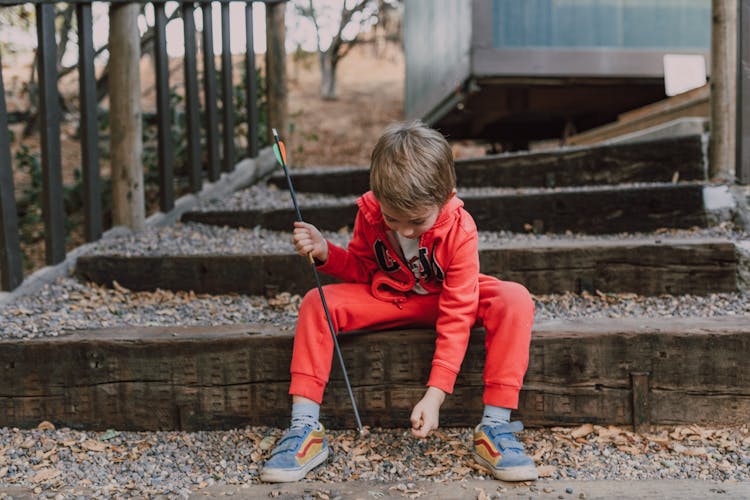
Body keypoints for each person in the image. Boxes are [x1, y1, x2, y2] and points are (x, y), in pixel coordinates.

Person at [260, 121, 538, 483]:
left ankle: (495, 428)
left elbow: (458, 313)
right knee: (317, 302)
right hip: (392, 299)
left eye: (417, 221)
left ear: (448, 195)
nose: (404, 231)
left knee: (514, 298)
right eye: (393, 218)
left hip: (449, 300)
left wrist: (435, 395)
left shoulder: (461, 229)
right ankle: (304, 426)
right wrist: (326, 251)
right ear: (378, 197)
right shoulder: (372, 212)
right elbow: (363, 268)